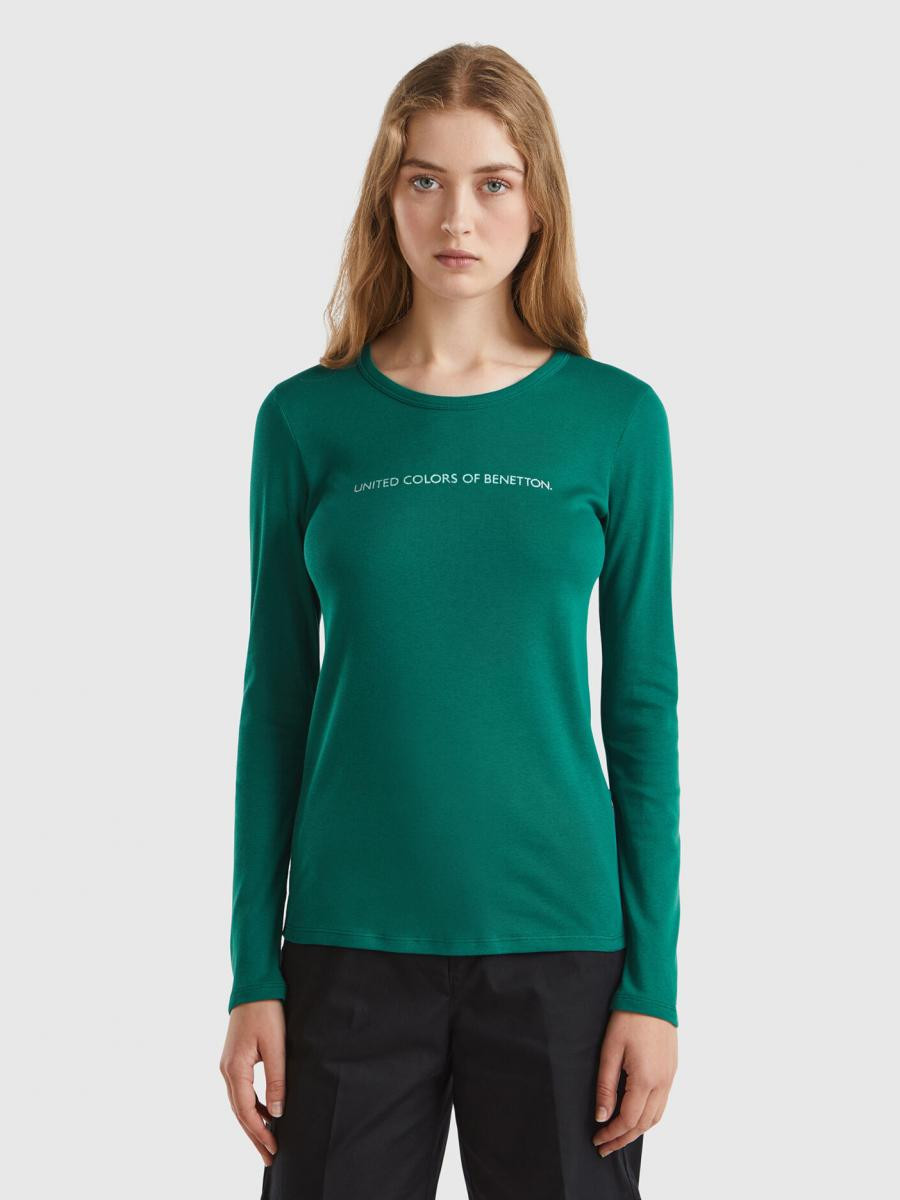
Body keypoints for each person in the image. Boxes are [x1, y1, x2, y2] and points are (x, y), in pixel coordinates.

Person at [219, 41, 681, 1200]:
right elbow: (274, 705)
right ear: (388, 199)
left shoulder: (616, 421)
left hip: (562, 953)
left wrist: (654, 985)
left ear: (538, 202)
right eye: (425, 179)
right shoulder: (307, 422)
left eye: (493, 182)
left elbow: (642, 709)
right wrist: (251, 969)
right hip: (347, 952)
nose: (457, 217)